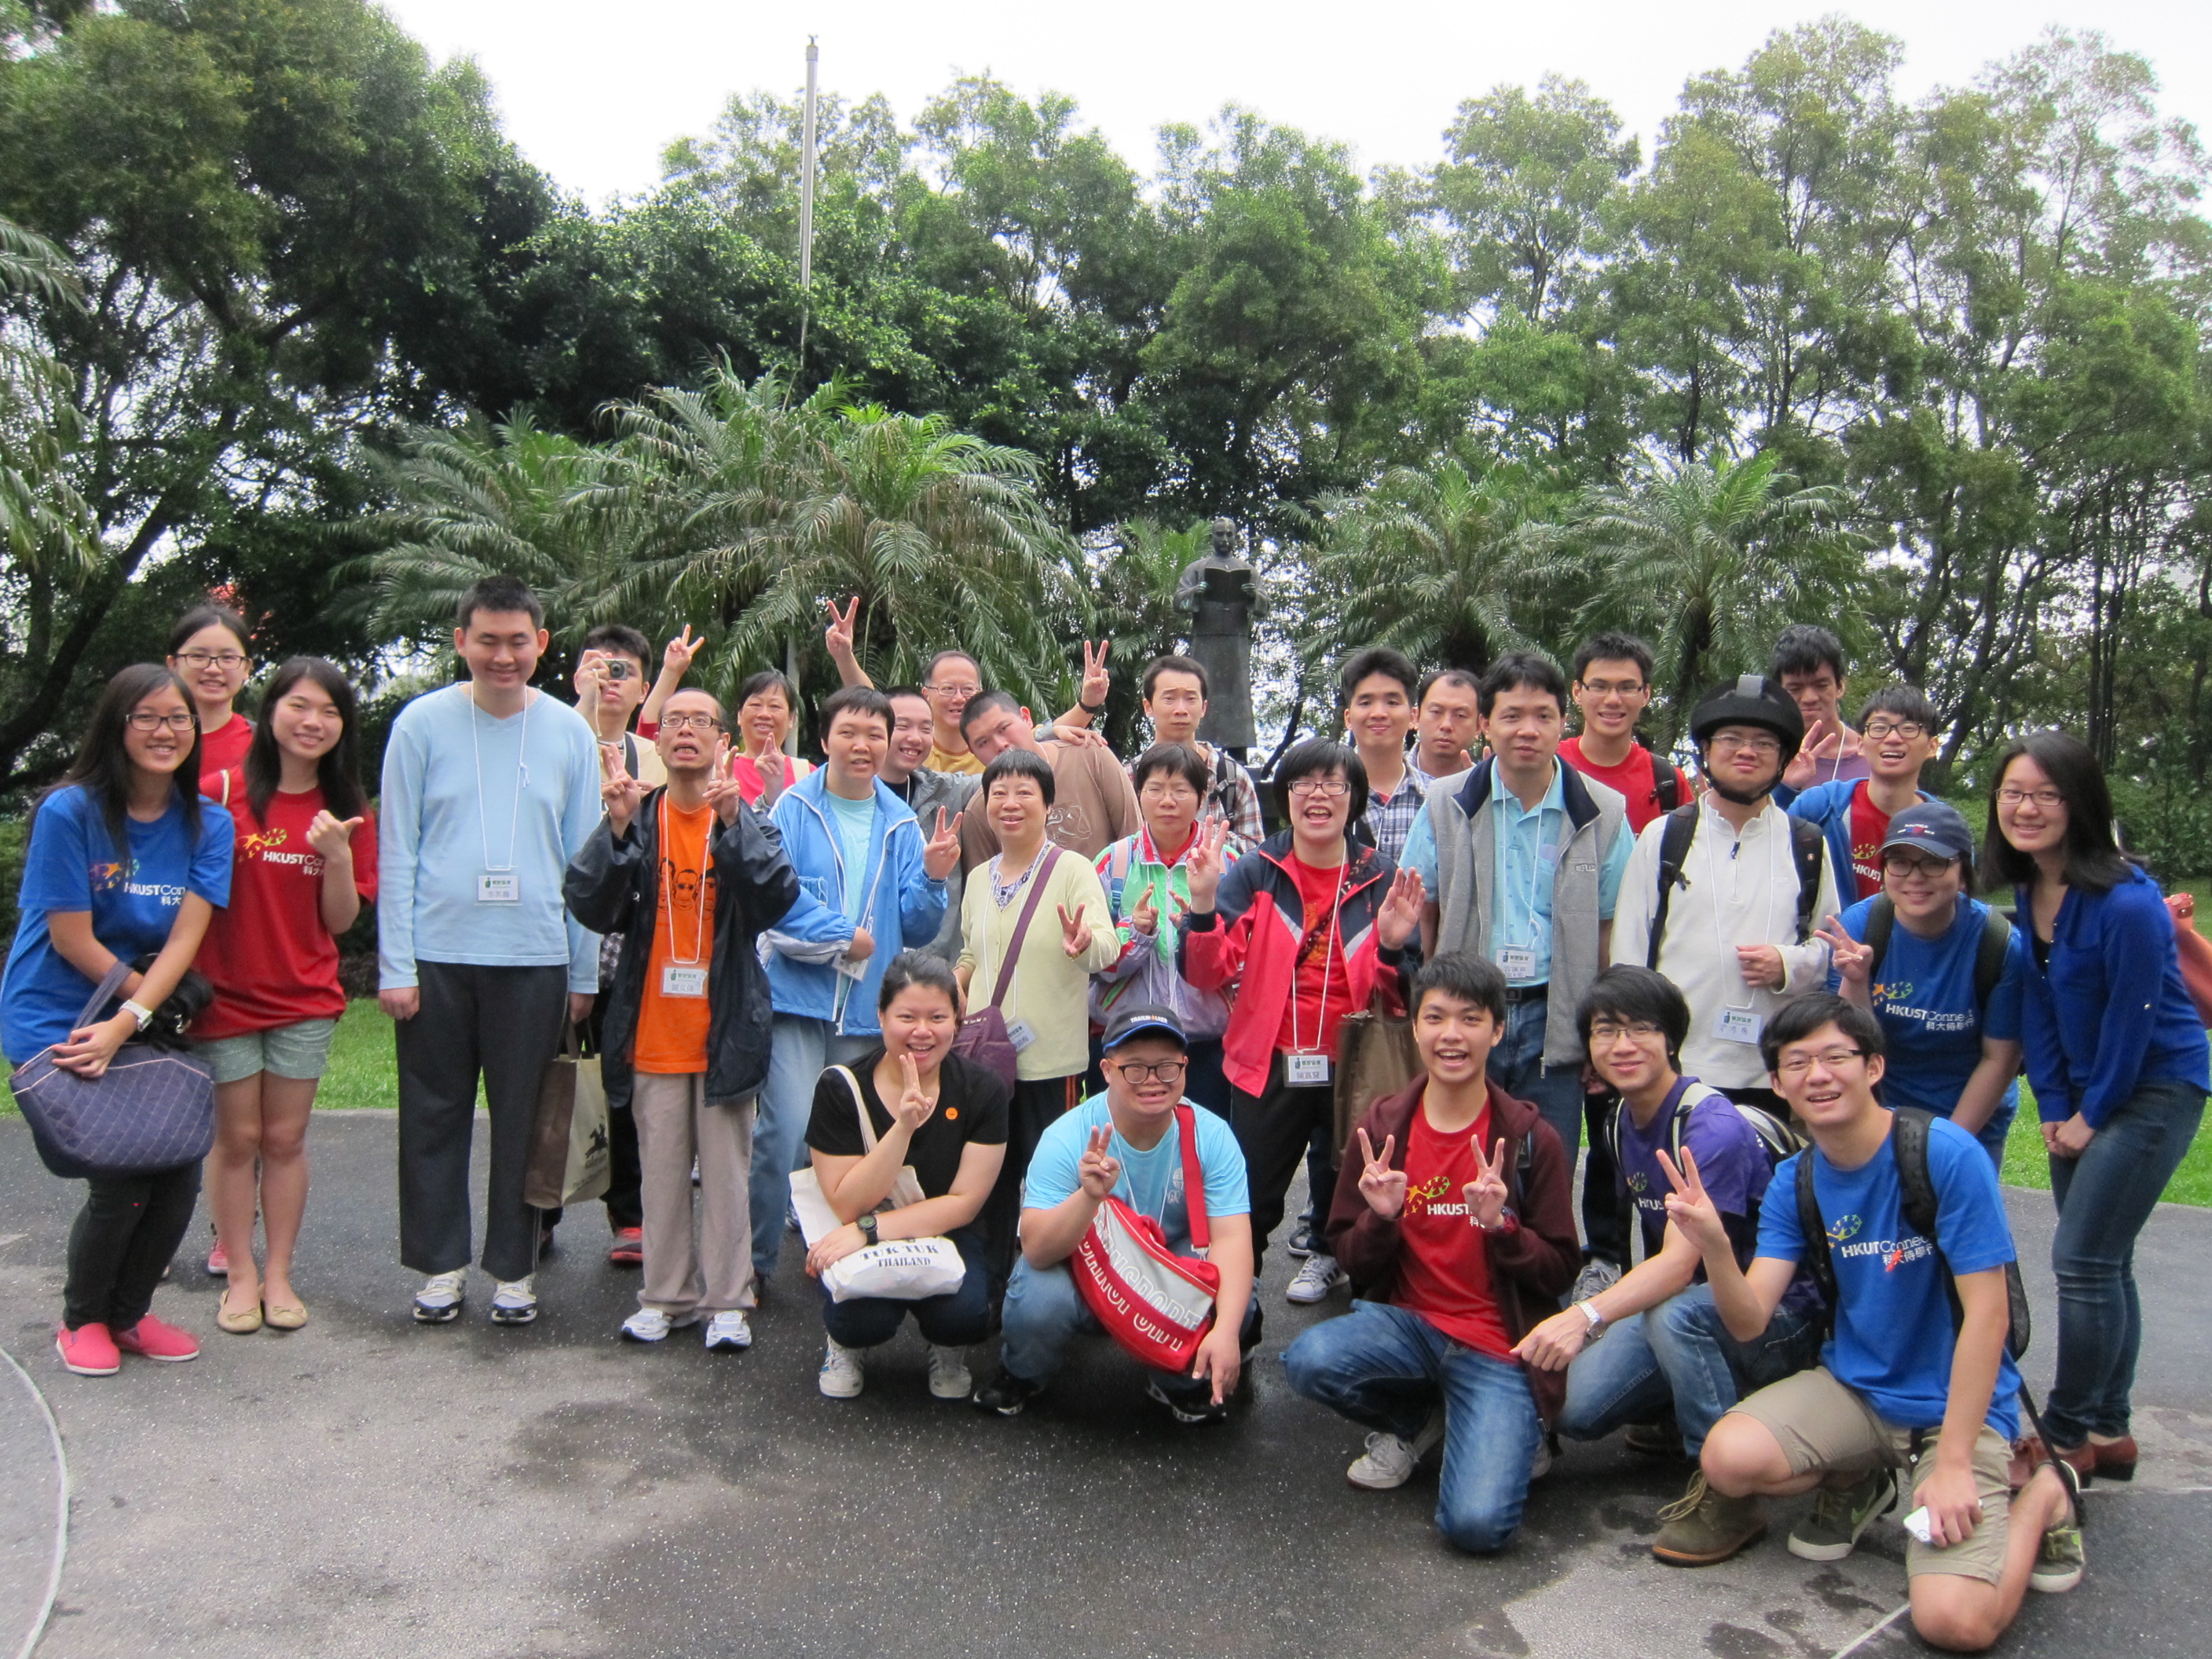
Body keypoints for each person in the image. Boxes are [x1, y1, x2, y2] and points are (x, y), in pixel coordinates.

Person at [1677, 995, 2083, 1653]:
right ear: (1777, 1084)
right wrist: (1716, 1247)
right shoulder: (1796, 1180)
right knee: (1727, 1458)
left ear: (1873, 1067)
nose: (1818, 1075)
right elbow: (1749, 1322)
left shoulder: (1944, 1155)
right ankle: (1859, 1476)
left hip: (1956, 1411)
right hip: (1857, 1391)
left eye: (1837, 1056)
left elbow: (1989, 1313)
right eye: (1798, 1062)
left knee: (1955, 1623)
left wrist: (1953, 1462)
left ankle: (2042, 1496)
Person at [1520, 967, 1822, 1564]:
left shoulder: (1709, 1128)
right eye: (1606, 1031)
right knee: (1578, 1413)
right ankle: (1673, 1404)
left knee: (1675, 1317)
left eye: (1641, 1029)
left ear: (1672, 1039)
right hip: (1694, 1309)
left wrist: (1586, 1316)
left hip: (1776, 1316)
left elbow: (1679, 1267)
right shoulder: (1618, 1120)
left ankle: (1725, 1488)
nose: (1623, 1046)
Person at [1284, 953, 1578, 1554]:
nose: (1451, 1035)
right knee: (1308, 1358)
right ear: (1414, 1027)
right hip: (1411, 1327)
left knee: (1477, 1528)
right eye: (1435, 1017)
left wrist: (1503, 1229)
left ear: (1497, 1030)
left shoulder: (1528, 1139)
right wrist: (1382, 1219)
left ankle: (1513, 1426)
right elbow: (1349, 1253)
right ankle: (1416, 1422)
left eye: (1471, 1019)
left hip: (1499, 1347)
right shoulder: (1385, 1125)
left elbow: (1560, 1269)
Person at [377, 575, 603, 1327]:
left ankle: (516, 1268)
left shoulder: (570, 732)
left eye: (518, 641)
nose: (502, 656)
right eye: (487, 641)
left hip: (534, 957)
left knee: (525, 1121)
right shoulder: (420, 724)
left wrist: (581, 971)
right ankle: (439, 1266)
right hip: (439, 957)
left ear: (542, 644)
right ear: (461, 642)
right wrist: (396, 965)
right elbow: (397, 849)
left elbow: (584, 863)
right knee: (432, 1115)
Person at [1985, 731, 2209, 1484]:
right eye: (2014, 792)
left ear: (2080, 804)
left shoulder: (2128, 901)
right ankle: (2112, 1429)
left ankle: (2069, 1433)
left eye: (2047, 794)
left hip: (2156, 1088)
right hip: (2078, 1095)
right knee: (2107, 1261)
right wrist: (2053, 1104)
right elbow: (2040, 1006)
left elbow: (2135, 1018)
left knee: (2082, 1260)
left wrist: (2092, 1112)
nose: (2027, 807)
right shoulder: (2030, 888)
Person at [2, 665, 235, 1376]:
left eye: (179, 719)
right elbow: (72, 939)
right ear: (117, 724)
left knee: (179, 1162)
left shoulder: (209, 823)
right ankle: (83, 1322)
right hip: (57, 1011)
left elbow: (186, 939)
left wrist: (137, 1016)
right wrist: (140, 1014)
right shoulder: (70, 811)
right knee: (124, 1168)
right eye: (148, 717)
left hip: (130, 1009)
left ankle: (128, 1316)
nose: (165, 732)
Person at [565, 687, 797, 1351]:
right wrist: (612, 831)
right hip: (651, 1029)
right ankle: (665, 1296)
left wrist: (735, 826)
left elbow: (776, 897)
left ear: (724, 741)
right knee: (661, 1172)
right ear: (658, 741)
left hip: (724, 1028)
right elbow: (588, 901)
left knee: (727, 1174)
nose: (686, 731)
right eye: (674, 721)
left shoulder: (745, 815)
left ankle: (729, 1299)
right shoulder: (636, 816)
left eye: (701, 721)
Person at [1181, 739, 1423, 1306]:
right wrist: (1202, 903)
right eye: (1303, 783)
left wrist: (1391, 949)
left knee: (1363, 1192)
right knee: (1251, 1195)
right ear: (1285, 798)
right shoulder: (1258, 872)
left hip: (1359, 1065)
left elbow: (1405, 994)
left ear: (1354, 798)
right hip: (1271, 1062)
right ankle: (1235, 1313)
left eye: (1333, 783)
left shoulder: (1380, 877)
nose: (1318, 794)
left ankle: (1370, 1306)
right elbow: (1205, 971)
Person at [192, 659, 376, 1335]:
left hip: (304, 998)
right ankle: (239, 1273)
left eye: (329, 712)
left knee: (285, 1137)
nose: (313, 722)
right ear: (270, 711)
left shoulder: (349, 809)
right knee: (237, 1139)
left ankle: (279, 1274)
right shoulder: (218, 792)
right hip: (224, 998)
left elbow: (338, 923)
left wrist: (335, 856)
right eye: (300, 705)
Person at [757, 687, 962, 1288]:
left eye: (876, 733)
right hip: (798, 999)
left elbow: (918, 926)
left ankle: (845, 1262)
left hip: (868, 1016)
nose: (864, 745)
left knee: (858, 1147)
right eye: (849, 732)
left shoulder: (901, 822)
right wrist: (843, 935)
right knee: (785, 1131)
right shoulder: (792, 808)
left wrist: (932, 877)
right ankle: (755, 1263)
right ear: (824, 741)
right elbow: (775, 898)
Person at [971, 1003, 1257, 1423]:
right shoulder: (1068, 1136)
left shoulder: (1212, 1135)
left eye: (1166, 1068)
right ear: (1106, 1070)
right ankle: (1024, 1372)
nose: (1153, 1081)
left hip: (1170, 1261)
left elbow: (1231, 1239)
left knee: (1237, 1300)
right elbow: (1035, 1249)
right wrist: (1087, 1198)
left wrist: (1228, 1332)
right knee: (1039, 1298)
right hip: (1087, 1264)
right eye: (1135, 1069)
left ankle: (1176, 1379)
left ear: (1185, 1068)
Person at [1403, 650, 1632, 1174]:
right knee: (1460, 1157)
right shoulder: (1446, 802)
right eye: (1511, 716)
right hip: (1470, 1009)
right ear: (1485, 724)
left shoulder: (1603, 810)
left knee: (1545, 1160)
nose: (1527, 730)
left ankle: (1543, 1257)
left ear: (1561, 722)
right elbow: (1425, 907)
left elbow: (1608, 926)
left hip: (1556, 1011)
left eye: (1542, 716)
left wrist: (1602, 1024)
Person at [1609, 676, 1840, 1111]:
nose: (1746, 751)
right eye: (1730, 738)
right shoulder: (1665, 836)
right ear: (1706, 752)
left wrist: (1787, 964)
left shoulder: (1806, 843)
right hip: (1675, 1067)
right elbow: (1628, 953)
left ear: (1783, 758)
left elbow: (1827, 950)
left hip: (1771, 1070)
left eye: (1764, 742)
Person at [804, 953, 1010, 1400]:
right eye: (907, 1016)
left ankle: (946, 1344)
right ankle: (844, 1344)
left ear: (957, 1019)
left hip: (942, 1231)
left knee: (965, 1315)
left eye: (938, 1017)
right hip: (860, 1225)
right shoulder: (840, 1087)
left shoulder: (983, 1090)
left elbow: (964, 1204)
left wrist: (870, 1231)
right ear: (881, 1017)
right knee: (861, 1320)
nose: (922, 1031)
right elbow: (846, 1204)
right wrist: (903, 1128)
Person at [957, 748, 1121, 1290]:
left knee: (1050, 1176)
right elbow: (970, 953)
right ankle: (994, 1288)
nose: (1010, 803)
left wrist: (1082, 944)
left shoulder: (1072, 869)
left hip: (1052, 1062)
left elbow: (1107, 945)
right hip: (984, 1061)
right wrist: (955, 983)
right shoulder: (979, 878)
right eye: (998, 792)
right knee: (989, 1179)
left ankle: (1060, 1289)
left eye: (1025, 792)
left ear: (1048, 805)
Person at [1815, 803, 2027, 1167]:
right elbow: (1850, 1046)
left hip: (1971, 1113)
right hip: (1880, 1108)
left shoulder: (2000, 944)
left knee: (1955, 1218)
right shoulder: (1860, 927)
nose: (1914, 877)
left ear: (1963, 873)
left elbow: (2000, 1060)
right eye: (1899, 862)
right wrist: (1856, 980)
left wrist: (1950, 1145)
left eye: (1933, 862)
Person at [571, 622, 661, 1266]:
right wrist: (581, 709)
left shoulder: (649, 759)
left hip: (625, 954)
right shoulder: (551, 736)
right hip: (555, 947)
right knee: (550, 1088)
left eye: (621, 670)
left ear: (645, 688)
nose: (608, 681)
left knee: (625, 1088)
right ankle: (540, 1211)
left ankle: (628, 1216)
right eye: (596, 667)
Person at [1093, 742, 1246, 1116]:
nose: (1167, 801)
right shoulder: (1113, 862)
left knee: (1203, 1149)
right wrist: (1136, 934)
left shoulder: (1228, 865)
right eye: (1155, 789)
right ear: (1138, 793)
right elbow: (1095, 962)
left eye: (1180, 790)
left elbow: (1241, 964)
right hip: (1124, 1039)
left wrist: (1199, 931)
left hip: (1207, 1042)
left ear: (1201, 797)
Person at [1786, 686, 1938, 902]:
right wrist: (1784, 787)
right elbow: (1767, 847)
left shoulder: (1946, 829)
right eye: (1879, 727)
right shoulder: (1820, 807)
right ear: (1860, 743)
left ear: (1932, 746)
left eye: (1908, 728)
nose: (1893, 738)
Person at [958, 690, 1140, 864]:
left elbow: (1134, 838)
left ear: (1026, 718)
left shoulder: (1091, 756)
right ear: (973, 753)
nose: (1000, 744)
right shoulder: (981, 810)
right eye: (983, 743)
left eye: (1004, 728)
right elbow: (984, 887)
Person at [1562, 632, 1694, 834]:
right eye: (1599, 687)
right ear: (1577, 692)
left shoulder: (1669, 783)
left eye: (1627, 687)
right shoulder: (1549, 765)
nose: (1613, 699)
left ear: (1646, 694)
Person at [881, 685, 976, 964]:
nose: (915, 738)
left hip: (931, 969)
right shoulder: (850, 796)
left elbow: (1004, 766)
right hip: (866, 959)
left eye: (925, 728)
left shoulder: (944, 790)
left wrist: (1051, 733)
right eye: (902, 726)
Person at [1137, 654, 1265, 842]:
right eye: (1169, 698)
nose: (1181, 709)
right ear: (1148, 707)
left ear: (1204, 708)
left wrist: (1198, 839)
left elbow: (1254, 853)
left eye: (1190, 699)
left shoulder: (1231, 777)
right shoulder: (1130, 776)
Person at [1337, 648, 1428, 864]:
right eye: (1366, 703)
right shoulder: (1326, 796)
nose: (1378, 713)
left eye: (1392, 702)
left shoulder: (1438, 800)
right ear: (1348, 718)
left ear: (1413, 717)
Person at [1771, 624, 1870, 804]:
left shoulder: (1872, 756)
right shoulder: (1764, 756)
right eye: (1795, 688)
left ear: (1840, 686)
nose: (1809, 698)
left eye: (1821, 685)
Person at [167, 603, 256, 794]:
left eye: (228, 658)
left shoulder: (264, 745)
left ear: (247, 668)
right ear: (173, 664)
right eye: (198, 656)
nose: (213, 670)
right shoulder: (147, 737)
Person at [1412, 668, 1482, 782]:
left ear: (1479, 726)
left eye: (1460, 715)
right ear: (1416, 717)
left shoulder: (1486, 786)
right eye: (1436, 712)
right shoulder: (1386, 778)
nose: (1446, 725)